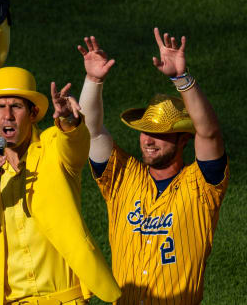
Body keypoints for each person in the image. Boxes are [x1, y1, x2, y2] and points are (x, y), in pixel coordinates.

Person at [77, 30, 229, 304]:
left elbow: (210, 134)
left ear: (184, 139)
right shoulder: (122, 176)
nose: (148, 139)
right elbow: (91, 132)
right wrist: (93, 80)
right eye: (145, 131)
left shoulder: (202, 186)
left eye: (160, 133)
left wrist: (181, 79)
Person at [0, 66, 121, 304]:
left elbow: (76, 145)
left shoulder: (53, 145)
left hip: (66, 300)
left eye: (16, 106)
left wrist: (68, 119)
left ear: (33, 113)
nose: (7, 115)